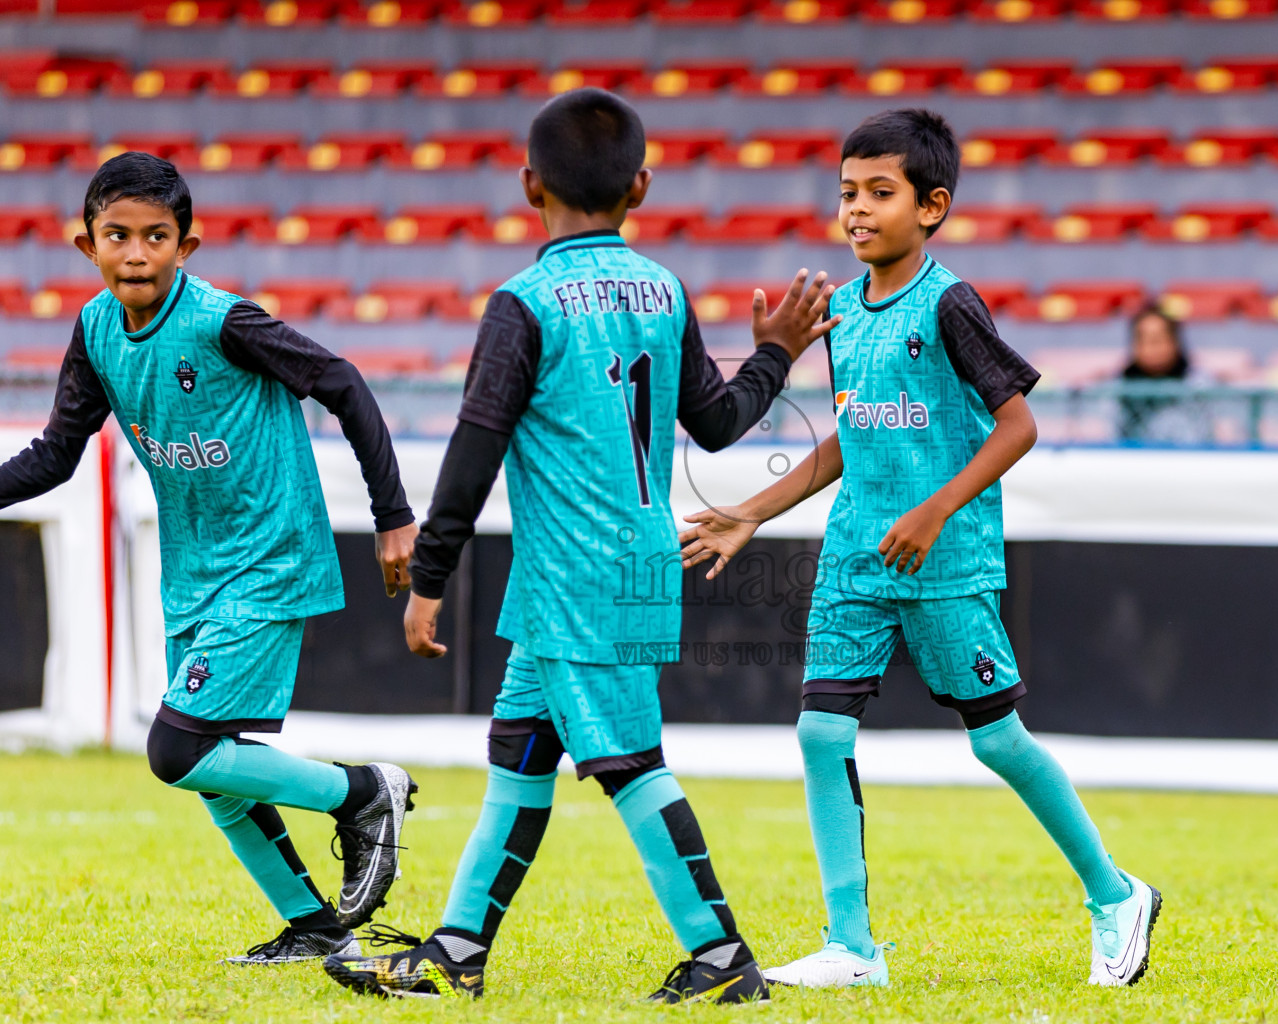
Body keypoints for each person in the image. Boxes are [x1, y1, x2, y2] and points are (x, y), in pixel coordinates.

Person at [320, 88, 838, 1003]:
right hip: (632, 559)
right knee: (520, 755)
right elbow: (715, 425)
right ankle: (458, 950)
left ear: (529, 185)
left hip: (573, 575)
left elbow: (475, 449)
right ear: (641, 185)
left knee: (631, 766)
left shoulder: (524, 305)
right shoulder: (664, 290)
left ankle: (722, 958)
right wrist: (774, 354)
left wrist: (429, 577)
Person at [680, 109, 1161, 989]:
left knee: (998, 742)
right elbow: (849, 440)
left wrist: (937, 510)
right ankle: (852, 947)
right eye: (846, 193)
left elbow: (1018, 424)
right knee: (822, 733)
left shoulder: (948, 302)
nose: (856, 210)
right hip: (855, 559)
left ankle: (1116, 894)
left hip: (944, 563)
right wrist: (750, 509)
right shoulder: (842, 317)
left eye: (879, 193)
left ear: (932, 206)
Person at [0, 153, 421, 963]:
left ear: (185, 246)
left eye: (155, 237)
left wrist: (393, 515)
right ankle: (313, 927)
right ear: (85, 245)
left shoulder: (225, 322)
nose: (135, 253)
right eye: (116, 235)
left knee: (176, 749)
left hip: (270, 560)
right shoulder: (94, 330)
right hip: (193, 571)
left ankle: (364, 792)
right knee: (213, 769)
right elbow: (56, 455)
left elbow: (342, 381)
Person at [1118, 303, 1200, 444]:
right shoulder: (1115, 390)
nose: (1151, 347)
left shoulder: (1201, 387)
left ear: (1175, 342)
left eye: (1157, 339)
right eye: (1143, 339)